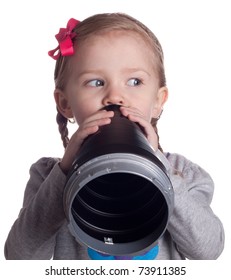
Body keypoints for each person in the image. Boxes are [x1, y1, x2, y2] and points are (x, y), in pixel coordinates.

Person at [4, 13, 224, 260]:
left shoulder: (182, 172)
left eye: (134, 81)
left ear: (158, 101)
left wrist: (159, 166)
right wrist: (65, 172)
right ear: (64, 103)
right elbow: (20, 258)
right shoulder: (48, 177)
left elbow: (208, 251)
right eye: (96, 82)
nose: (115, 97)